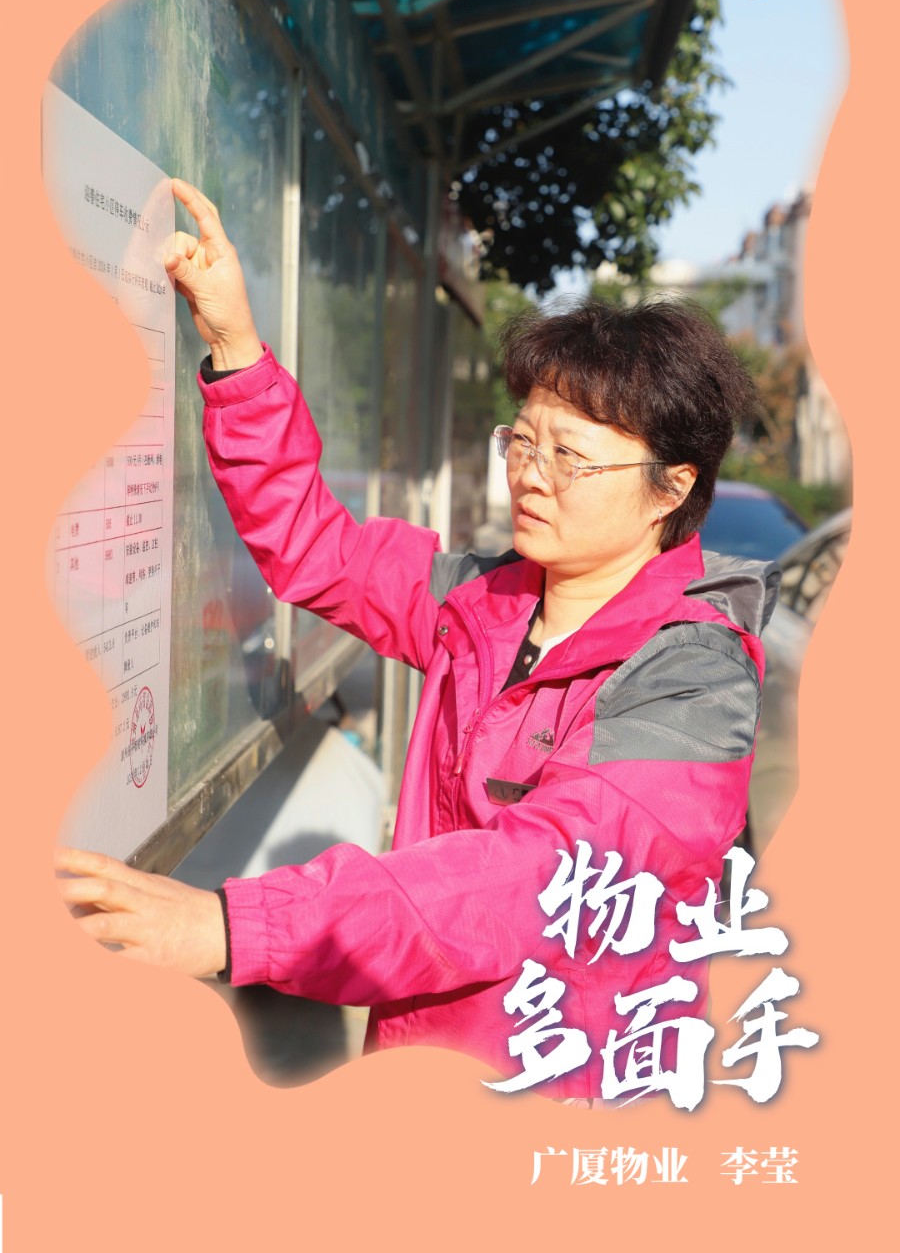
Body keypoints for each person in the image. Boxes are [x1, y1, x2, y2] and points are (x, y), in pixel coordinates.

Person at [58, 178, 778, 1102]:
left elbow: (536, 880)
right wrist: (236, 351)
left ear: (671, 487)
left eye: (571, 456)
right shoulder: (485, 600)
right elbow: (314, 548)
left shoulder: (695, 681)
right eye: (523, 442)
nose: (531, 475)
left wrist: (237, 929)